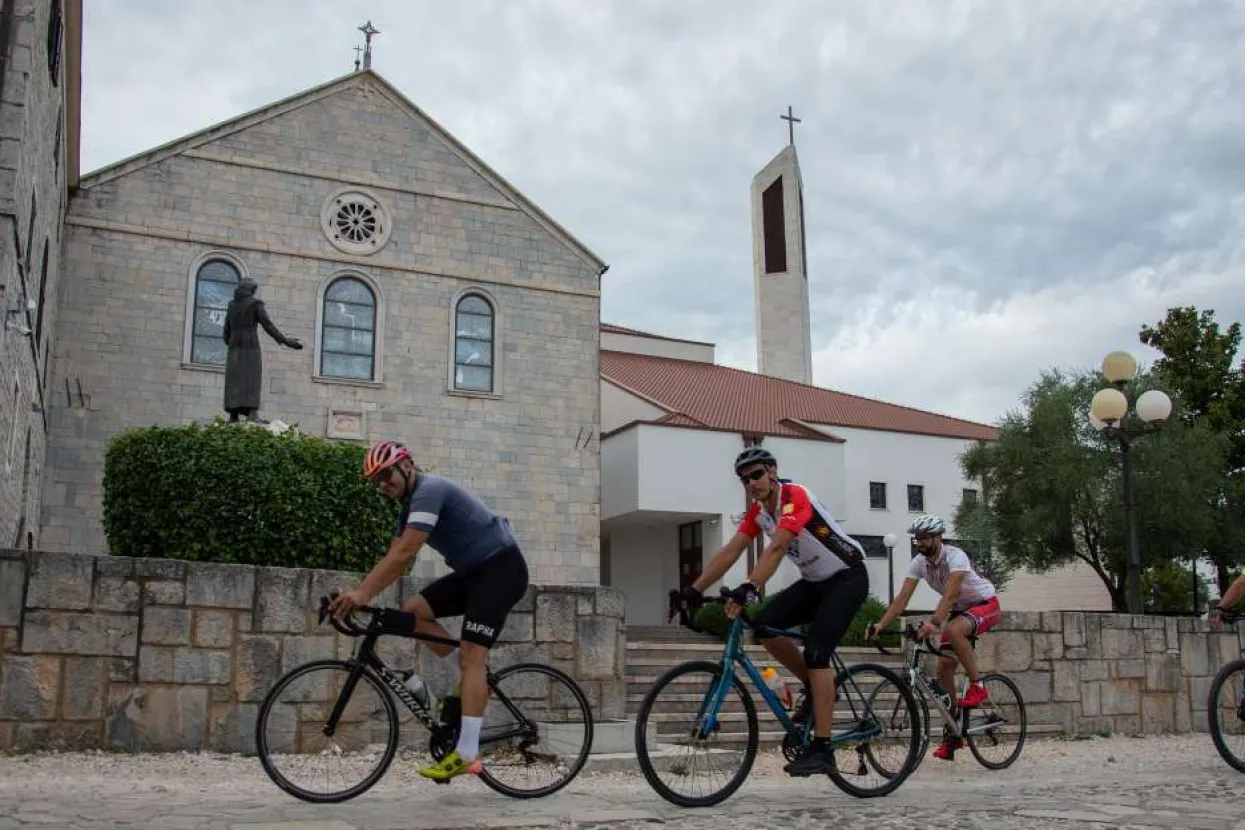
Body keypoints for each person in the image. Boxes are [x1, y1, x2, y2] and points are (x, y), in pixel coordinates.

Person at [327, 439, 529, 782]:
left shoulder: (430, 489)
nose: (382, 485)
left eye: (386, 475)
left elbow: (405, 552)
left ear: (406, 466)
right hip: (474, 573)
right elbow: (394, 555)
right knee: (414, 610)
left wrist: (361, 593)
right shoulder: (409, 508)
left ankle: (466, 753)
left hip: (501, 569)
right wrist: (362, 596)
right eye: (376, 481)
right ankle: (472, 679)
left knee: (472, 656)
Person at [675, 446, 869, 776]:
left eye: (757, 474)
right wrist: (693, 590)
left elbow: (778, 546)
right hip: (815, 581)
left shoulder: (795, 496)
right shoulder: (759, 513)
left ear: (772, 472)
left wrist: (751, 586)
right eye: (744, 479)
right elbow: (732, 550)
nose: (751, 482)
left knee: (818, 652)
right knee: (764, 624)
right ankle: (814, 687)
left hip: (847, 577)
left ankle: (822, 749)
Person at [868, 513, 1000, 760]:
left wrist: (933, 623)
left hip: (985, 604)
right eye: (918, 539)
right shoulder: (919, 562)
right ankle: (953, 733)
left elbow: (950, 595)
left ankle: (978, 685)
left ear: (939, 537)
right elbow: (902, 598)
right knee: (943, 669)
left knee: (953, 630)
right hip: (961, 612)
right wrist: (881, 624)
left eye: (927, 538)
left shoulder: (955, 557)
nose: (921, 543)